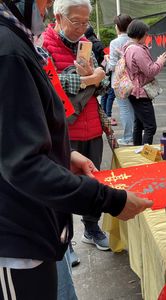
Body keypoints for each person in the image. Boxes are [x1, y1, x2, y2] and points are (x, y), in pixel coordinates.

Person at [0, 0, 153, 298]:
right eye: (43, 1)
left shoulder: (16, 39)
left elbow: (16, 133)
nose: (42, 8)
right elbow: (23, 164)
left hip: (33, 227)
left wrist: (63, 155)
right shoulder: (8, 51)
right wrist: (111, 200)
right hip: (16, 237)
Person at [42, 0, 113, 253]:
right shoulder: (44, 44)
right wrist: (88, 79)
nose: (82, 28)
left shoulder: (86, 45)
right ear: (58, 17)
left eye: (85, 23)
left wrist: (97, 79)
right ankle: (65, 239)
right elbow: (46, 83)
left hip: (92, 125)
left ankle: (92, 229)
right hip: (64, 132)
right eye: (76, 22)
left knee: (93, 181)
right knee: (62, 186)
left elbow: (102, 86)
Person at [125, 19, 166, 145]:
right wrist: (160, 61)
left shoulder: (129, 47)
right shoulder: (137, 50)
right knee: (150, 126)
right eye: (145, 34)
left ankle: (136, 151)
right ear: (140, 34)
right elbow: (150, 71)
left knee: (139, 124)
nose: (147, 36)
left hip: (133, 91)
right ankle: (145, 153)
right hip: (140, 92)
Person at [104, 13, 134, 145]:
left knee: (124, 109)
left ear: (117, 27)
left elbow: (112, 66)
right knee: (132, 108)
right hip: (133, 79)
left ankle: (128, 138)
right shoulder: (134, 40)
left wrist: (107, 60)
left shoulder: (115, 42)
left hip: (119, 81)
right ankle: (134, 134)